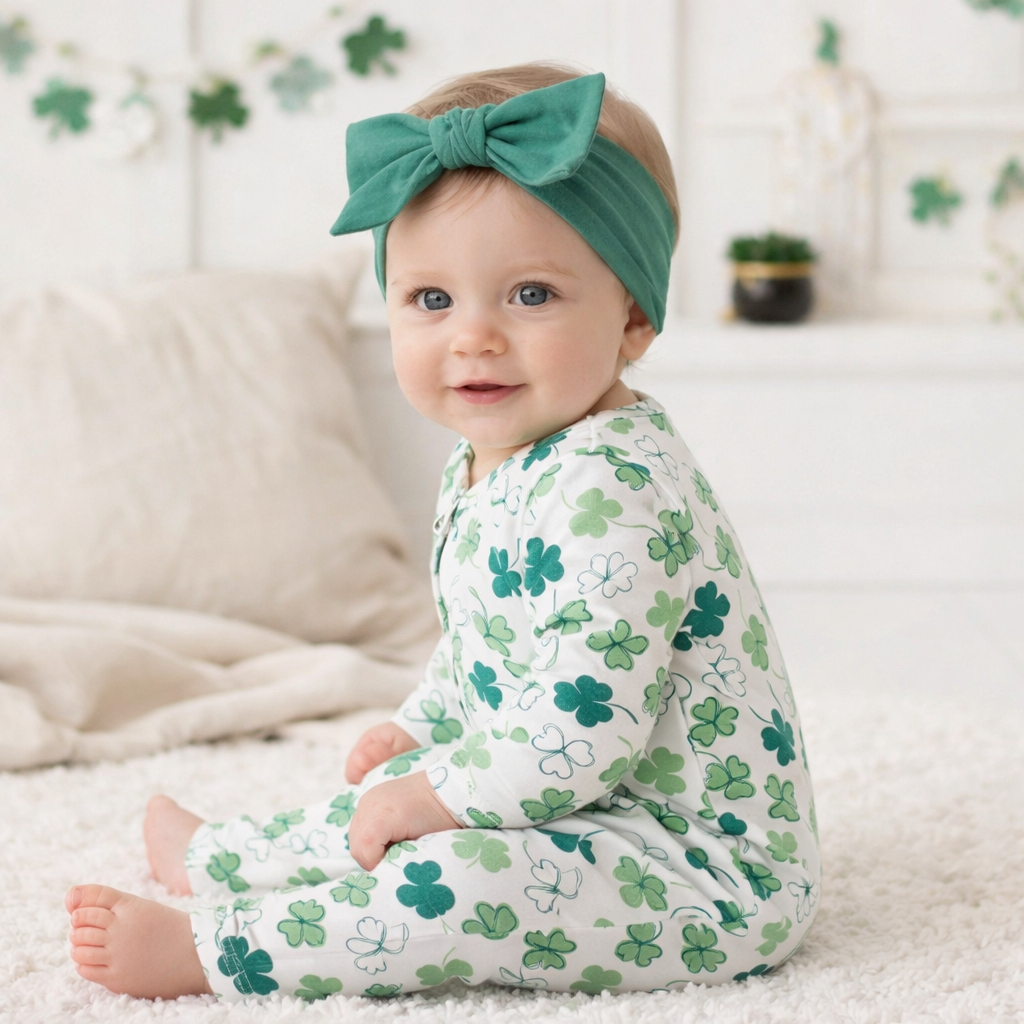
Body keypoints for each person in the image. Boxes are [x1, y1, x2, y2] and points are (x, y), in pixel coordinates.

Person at [66, 63, 821, 1003]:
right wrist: (422, 728)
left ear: (632, 315)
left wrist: (433, 796)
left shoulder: (615, 489)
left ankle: (220, 950)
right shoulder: (493, 458)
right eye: (432, 300)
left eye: (530, 295)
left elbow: (583, 725)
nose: (474, 337)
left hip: (692, 870)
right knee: (403, 790)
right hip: (575, 800)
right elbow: (485, 643)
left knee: (461, 878)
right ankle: (225, 856)